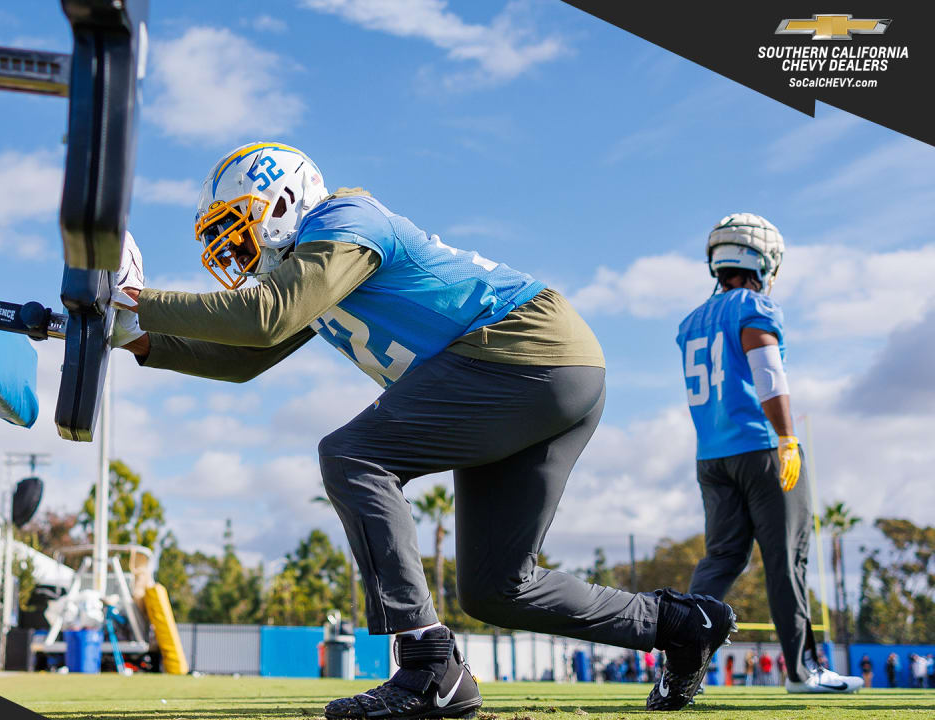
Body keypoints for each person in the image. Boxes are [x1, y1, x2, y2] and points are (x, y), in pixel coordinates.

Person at [110, 142, 736, 715]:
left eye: (236, 224)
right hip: (547, 372)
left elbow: (265, 317)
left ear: (281, 200)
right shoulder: (313, 268)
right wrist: (139, 339)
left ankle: (427, 663)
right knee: (496, 590)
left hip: (524, 350)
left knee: (354, 456)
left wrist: (138, 298)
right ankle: (679, 624)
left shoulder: (342, 220)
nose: (234, 245)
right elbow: (245, 356)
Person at [676, 214, 863, 695]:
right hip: (759, 446)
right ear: (763, 260)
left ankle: (678, 657)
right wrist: (786, 437)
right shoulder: (753, 307)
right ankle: (803, 671)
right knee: (786, 559)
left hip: (711, 457)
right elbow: (768, 374)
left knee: (720, 559)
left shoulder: (691, 320)